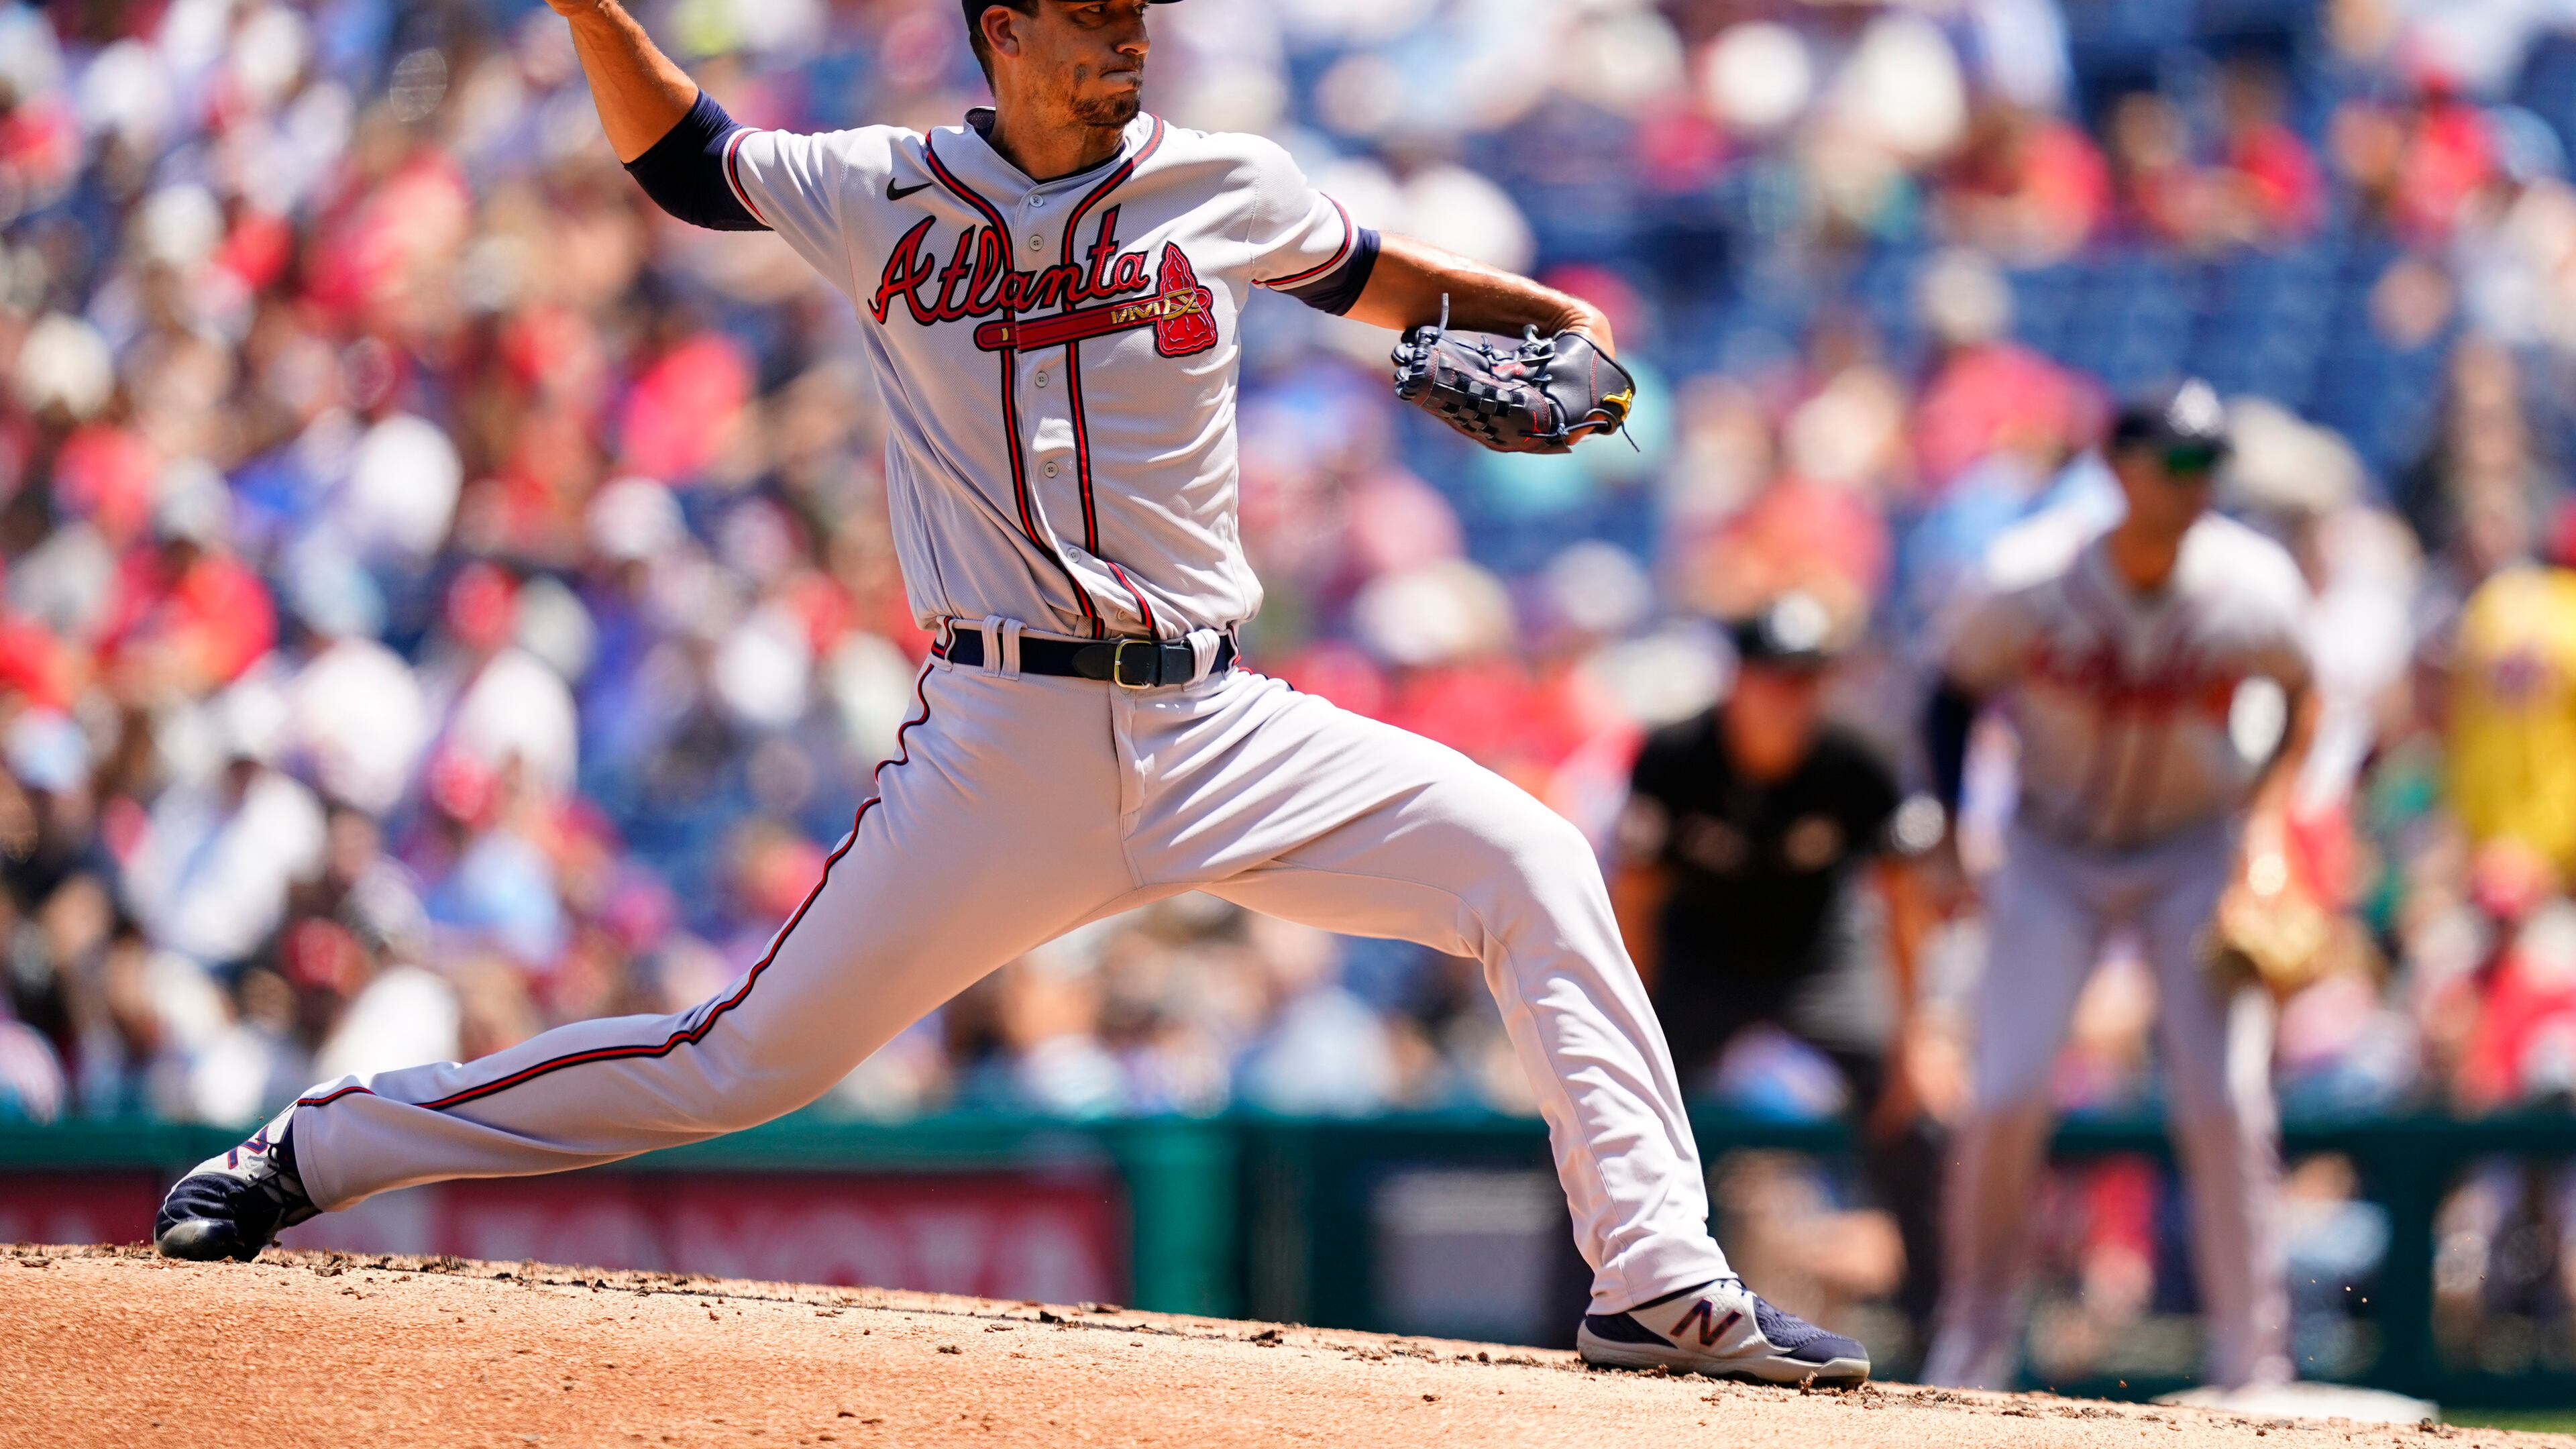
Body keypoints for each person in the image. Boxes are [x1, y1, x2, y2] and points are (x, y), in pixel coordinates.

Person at [152, 0, 1867, 1386]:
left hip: (1219, 724)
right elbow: (687, 162)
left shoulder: (1222, 178)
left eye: (1137, 9)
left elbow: (1386, 282)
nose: (1129, 30)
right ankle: (324, 1145)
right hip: (998, 742)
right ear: (1002, 32)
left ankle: (1654, 1282)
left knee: (1531, 860)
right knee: (731, 1061)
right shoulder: (874, 183)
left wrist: (1554, 319)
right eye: (1092, 11)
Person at [1921, 380, 2314, 1390]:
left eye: (2208, 466)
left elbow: (2301, 695)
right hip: (2053, 851)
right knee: (2005, 1092)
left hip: (2195, 845)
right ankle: (1973, 1342)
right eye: (2177, 464)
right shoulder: (2028, 574)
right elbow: (1950, 697)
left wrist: (2267, 827)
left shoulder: (2251, 580)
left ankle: (2253, 1365)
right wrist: (1951, 836)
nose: (2196, 485)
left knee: (2226, 1098)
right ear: (2119, 469)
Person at [1610, 592, 1945, 1336]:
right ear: (1736, 678)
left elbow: (1904, 900)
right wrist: (1627, 1020)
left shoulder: (1859, 758)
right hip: (1697, 958)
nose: (1788, 696)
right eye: (1772, 676)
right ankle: (1581, 1315)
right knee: (1608, 1108)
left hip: (1816, 959)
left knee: (1913, 1112)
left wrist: (1914, 1038)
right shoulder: (1674, 756)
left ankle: (1942, 1325)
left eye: (1806, 678)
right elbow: (1633, 895)